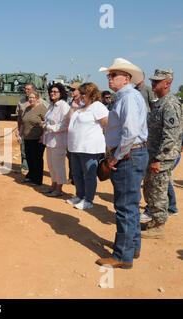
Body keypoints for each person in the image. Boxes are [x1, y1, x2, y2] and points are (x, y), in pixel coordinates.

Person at [96, 58, 148, 269]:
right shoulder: (128, 96)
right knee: (131, 206)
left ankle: (123, 256)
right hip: (134, 154)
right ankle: (132, 246)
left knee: (125, 207)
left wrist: (115, 157)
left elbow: (130, 132)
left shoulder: (127, 98)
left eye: (113, 75)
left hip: (128, 155)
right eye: (109, 75)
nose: (109, 78)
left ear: (126, 78)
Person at [141, 69, 182, 239]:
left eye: (156, 82)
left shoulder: (170, 104)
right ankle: (155, 220)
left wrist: (158, 159)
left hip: (162, 157)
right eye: (152, 81)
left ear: (167, 83)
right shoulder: (160, 103)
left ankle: (159, 226)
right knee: (150, 188)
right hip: (153, 154)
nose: (153, 84)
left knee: (158, 189)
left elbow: (170, 136)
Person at [66, 82, 109, 210]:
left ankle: (88, 200)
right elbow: (68, 123)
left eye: (83, 93)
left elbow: (107, 125)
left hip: (90, 148)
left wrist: (107, 145)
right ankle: (79, 195)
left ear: (91, 93)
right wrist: (73, 108)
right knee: (76, 174)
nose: (81, 95)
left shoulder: (97, 106)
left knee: (89, 175)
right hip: (75, 147)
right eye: (80, 93)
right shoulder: (80, 108)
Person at [40, 83, 70, 197]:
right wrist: (45, 126)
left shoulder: (64, 106)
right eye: (51, 92)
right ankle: (53, 186)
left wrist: (49, 127)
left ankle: (59, 189)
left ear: (61, 93)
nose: (52, 93)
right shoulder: (51, 105)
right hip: (49, 140)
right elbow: (48, 120)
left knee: (59, 166)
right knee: (51, 165)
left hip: (59, 141)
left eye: (55, 92)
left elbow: (65, 125)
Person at [20, 91, 48, 185]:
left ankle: (37, 180)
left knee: (37, 159)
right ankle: (31, 176)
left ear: (37, 98)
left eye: (33, 97)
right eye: (30, 98)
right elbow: (23, 122)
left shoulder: (41, 108)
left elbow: (47, 122)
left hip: (38, 138)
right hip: (27, 138)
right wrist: (20, 133)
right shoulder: (27, 108)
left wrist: (43, 135)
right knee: (29, 158)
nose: (31, 99)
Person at [66, 82, 85, 185]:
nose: (71, 91)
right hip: (71, 135)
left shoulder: (84, 104)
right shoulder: (69, 103)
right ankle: (72, 177)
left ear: (79, 90)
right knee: (70, 157)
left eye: (73, 90)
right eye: (70, 90)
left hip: (81, 136)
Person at [15, 83, 35, 174]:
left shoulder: (40, 101)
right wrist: (18, 129)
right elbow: (19, 117)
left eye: (28, 89)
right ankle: (24, 167)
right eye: (25, 89)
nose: (26, 91)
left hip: (34, 130)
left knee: (33, 150)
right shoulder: (21, 101)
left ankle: (33, 168)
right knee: (23, 148)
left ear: (33, 90)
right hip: (23, 128)